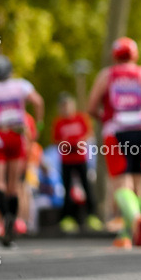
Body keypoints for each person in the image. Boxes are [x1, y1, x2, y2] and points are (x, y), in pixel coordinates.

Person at [87, 37, 141, 248]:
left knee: (120, 184)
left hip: (117, 131)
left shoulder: (107, 75)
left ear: (114, 55)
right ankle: (127, 233)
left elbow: (91, 107)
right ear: (134, 55)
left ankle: (135, 220)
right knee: (138, 182)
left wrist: (104, 118)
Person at [0, 54, 44, 246]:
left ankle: (6, 218)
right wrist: (39, 125)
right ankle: (13, 218)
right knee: (14, 185)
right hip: (18, 134)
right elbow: (38, 102)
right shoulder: (21, 85)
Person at [52, 93, 102, 233]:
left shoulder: (81, 119)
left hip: (80, 159)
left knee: (87, 187)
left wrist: (78, 142)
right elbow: (56, 140)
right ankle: (67, 218)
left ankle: (92, 216)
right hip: (66, 160)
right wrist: (67, 144)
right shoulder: (59, 123)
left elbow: (88, 134)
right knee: (67, 189)